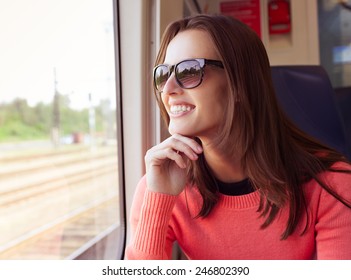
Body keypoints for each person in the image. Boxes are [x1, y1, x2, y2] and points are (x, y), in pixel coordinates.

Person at [125, 14, 351, 260]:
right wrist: (159, 198)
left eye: (189, 71)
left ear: (240, 84)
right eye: (162, 75)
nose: (168, 89)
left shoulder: (332, 185)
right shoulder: (160, 186)